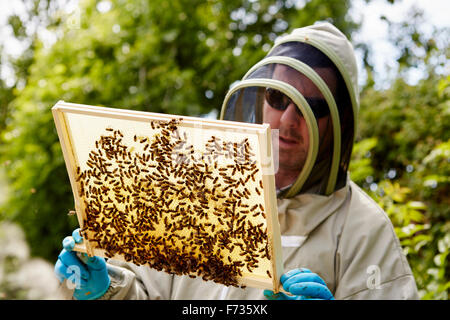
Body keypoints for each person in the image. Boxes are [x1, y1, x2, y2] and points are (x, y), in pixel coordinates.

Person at [54, 22, 419, 300]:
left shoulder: (363, 228)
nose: (290, 119)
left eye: (315, 107)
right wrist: (107, 286)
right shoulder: (197, 194)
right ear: (260, 99)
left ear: (337, 123)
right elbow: (146, 292)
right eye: (278, 98)